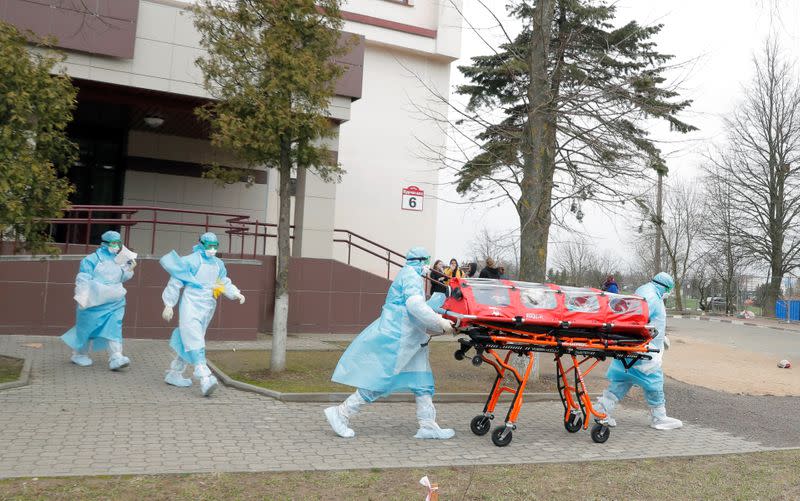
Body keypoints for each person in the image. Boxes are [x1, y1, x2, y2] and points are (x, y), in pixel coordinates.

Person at [324, 247, 456, 440]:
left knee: (422, 381)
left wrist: (437, 303)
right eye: (427, 262)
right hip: (400, 336)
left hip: (412, 338)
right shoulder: (411, 275)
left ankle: (428, 425)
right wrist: (440, 322)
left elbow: (414, 306)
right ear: (421, 261)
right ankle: (341, 413)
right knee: (381, 379)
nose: (429, 266)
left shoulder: (410, 274)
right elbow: (414, 306)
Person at [160, 232, 246, 397]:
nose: (212, 249)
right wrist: (169, 304)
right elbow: (176, 281)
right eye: (209, 246)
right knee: (194, 338)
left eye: (215, 246)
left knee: (191, 338)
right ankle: (205, 378)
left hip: (208, 305)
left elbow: (223, 281)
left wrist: (235, 293)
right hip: (191, 303)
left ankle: (175, 373)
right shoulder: (190, 261)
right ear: (201, 244)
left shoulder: (218, 264)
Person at [595, 272, 683, 430]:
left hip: (631, 348)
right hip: (644, 352)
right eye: (669, 289)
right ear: (665, 286)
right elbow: (639, 320)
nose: (668, 292)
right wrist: (652, 340)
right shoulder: (653, 298)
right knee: (654, 383)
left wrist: (660, 338)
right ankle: (659, 417)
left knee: (622, 380)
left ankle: (602, 410)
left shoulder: (645, 290)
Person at [61, 230, 136, 370]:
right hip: (94, 301)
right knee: (87, 329)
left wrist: (129, 269)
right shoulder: (91, 259)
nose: (117, 246)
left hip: (115, 300)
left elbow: (122, 277)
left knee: (115, 326)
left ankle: (116, 357)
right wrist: (82, 297)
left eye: (119, 243)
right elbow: (83, 279)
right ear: (105, 243)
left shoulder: (120, 259)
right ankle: (79, 354)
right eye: (114, 243)